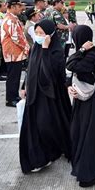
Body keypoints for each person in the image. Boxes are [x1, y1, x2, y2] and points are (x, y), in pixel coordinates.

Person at [19, 19, 71, 174]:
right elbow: (31, 68)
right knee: (37, 126)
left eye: (42, 33)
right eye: (36, 33)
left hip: (50, 95)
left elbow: (49, 74)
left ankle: (56, 149)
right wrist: (25, 86)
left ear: (51, 34)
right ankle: (41, 157)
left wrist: (46, 49)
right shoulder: (35, 47)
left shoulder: (56, 51)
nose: (38, 36)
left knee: (48, 123)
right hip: (35, 93)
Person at [66, 25, 95, 187]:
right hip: (82, 99)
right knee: (79, 131)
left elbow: (70, 65)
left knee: (90, 135)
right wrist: (69, 85)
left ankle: (90, 173)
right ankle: (87, 166)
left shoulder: (90, 55)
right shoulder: (86, 54)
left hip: (92, 101)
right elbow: (72, 73)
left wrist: (81, 50)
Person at [1, 0, 29, 107]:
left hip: (16, 53)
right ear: (13, 7)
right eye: (19, 6)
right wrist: (26, 48)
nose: (21, 8)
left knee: (15, 77)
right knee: (13, 77)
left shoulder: (13, 18)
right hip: (13, 53)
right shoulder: (10, 20)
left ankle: (14, 96)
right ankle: (10, 99)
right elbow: (16, 37)